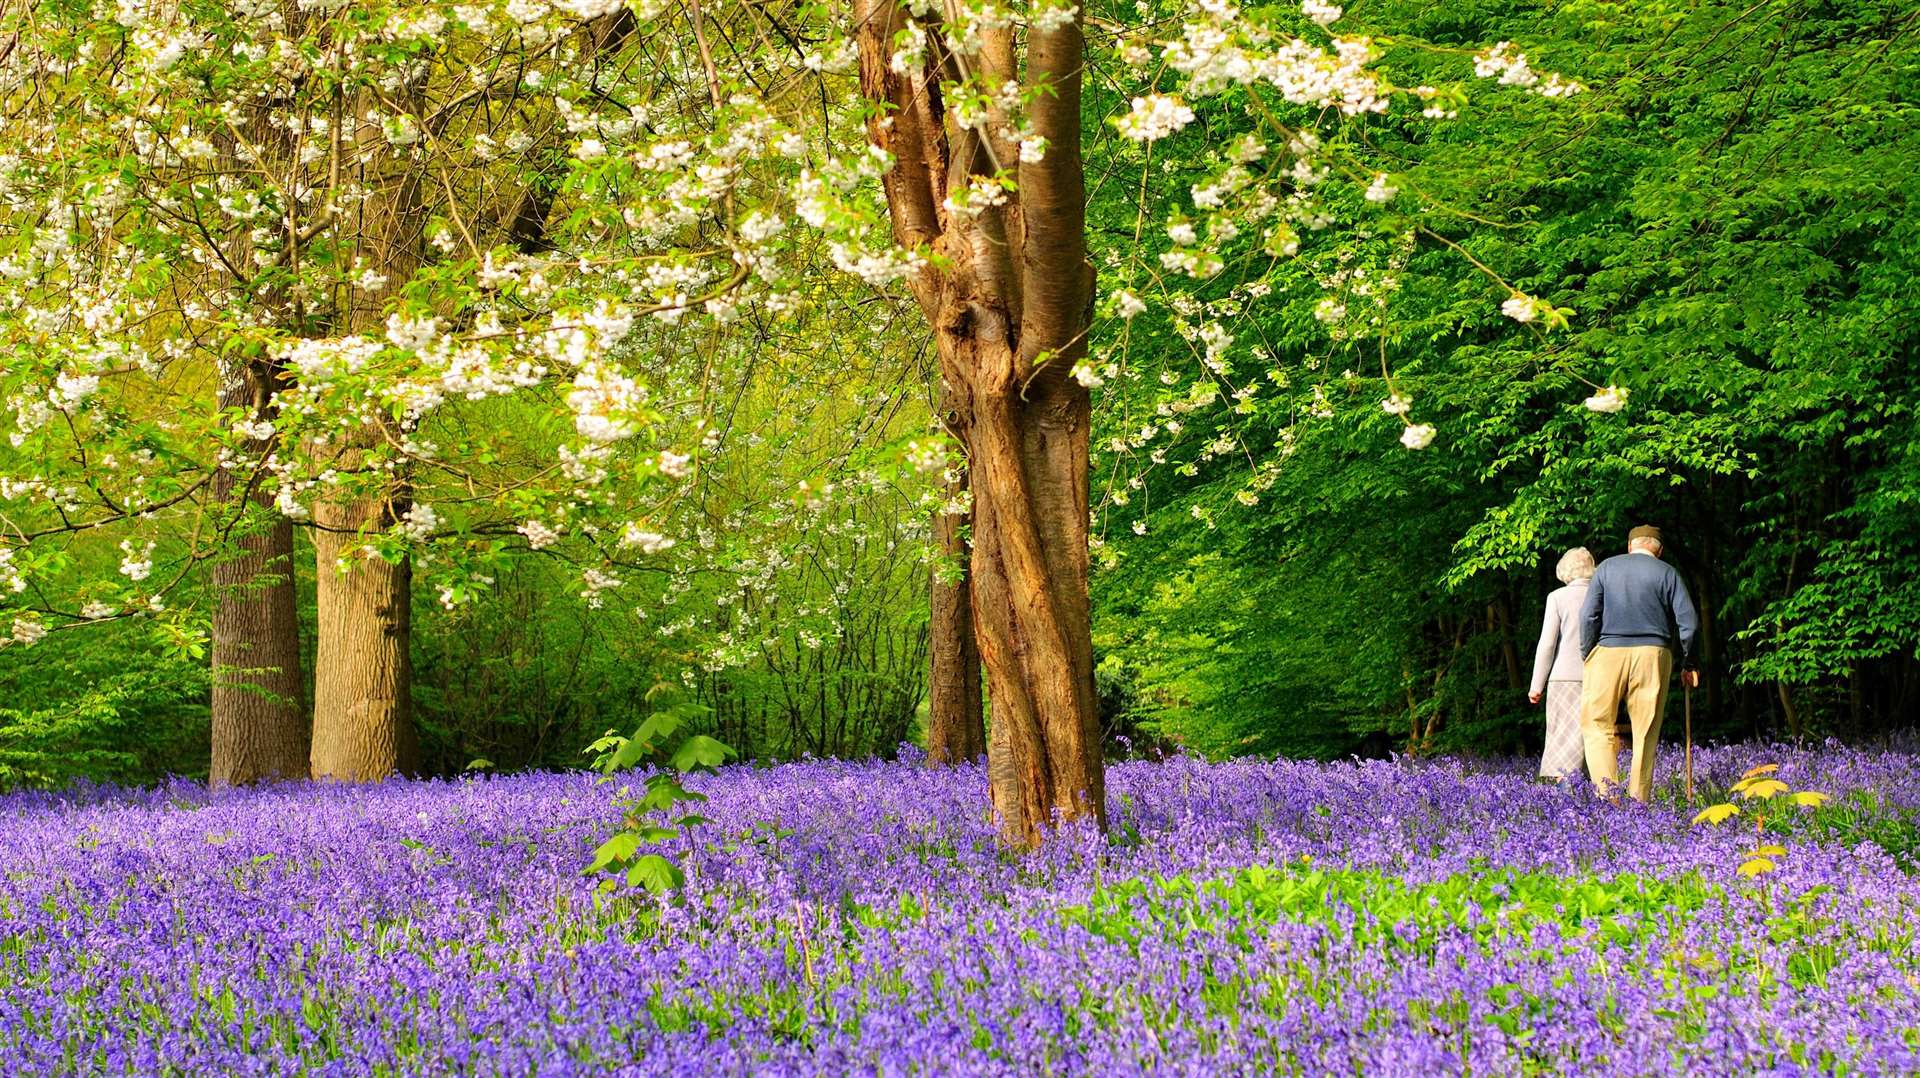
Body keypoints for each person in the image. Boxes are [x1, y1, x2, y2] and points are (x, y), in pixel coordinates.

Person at [1578, 525, 1701, 801]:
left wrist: (1588, 652)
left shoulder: (1607, 568)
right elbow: (1689, 625)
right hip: (1652, 654)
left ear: (1629, 546)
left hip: (1608, 652)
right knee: (1646, 730)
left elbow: (1588, 616)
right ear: (1659, 550)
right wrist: (1689, 663)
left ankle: (1607, 797)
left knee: (1597, 724)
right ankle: (1638, 802)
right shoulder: (1668, 573)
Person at [1528, 547, 1595, 780]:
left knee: (1564, 735)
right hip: (1598, 676)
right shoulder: (1603, 595)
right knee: (1593, 736)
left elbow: (1547, 644)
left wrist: (1536, 685)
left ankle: (1565, 794)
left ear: (1565, 571)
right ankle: (1595, 793)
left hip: (1564, 677)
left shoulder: (1557, 597)